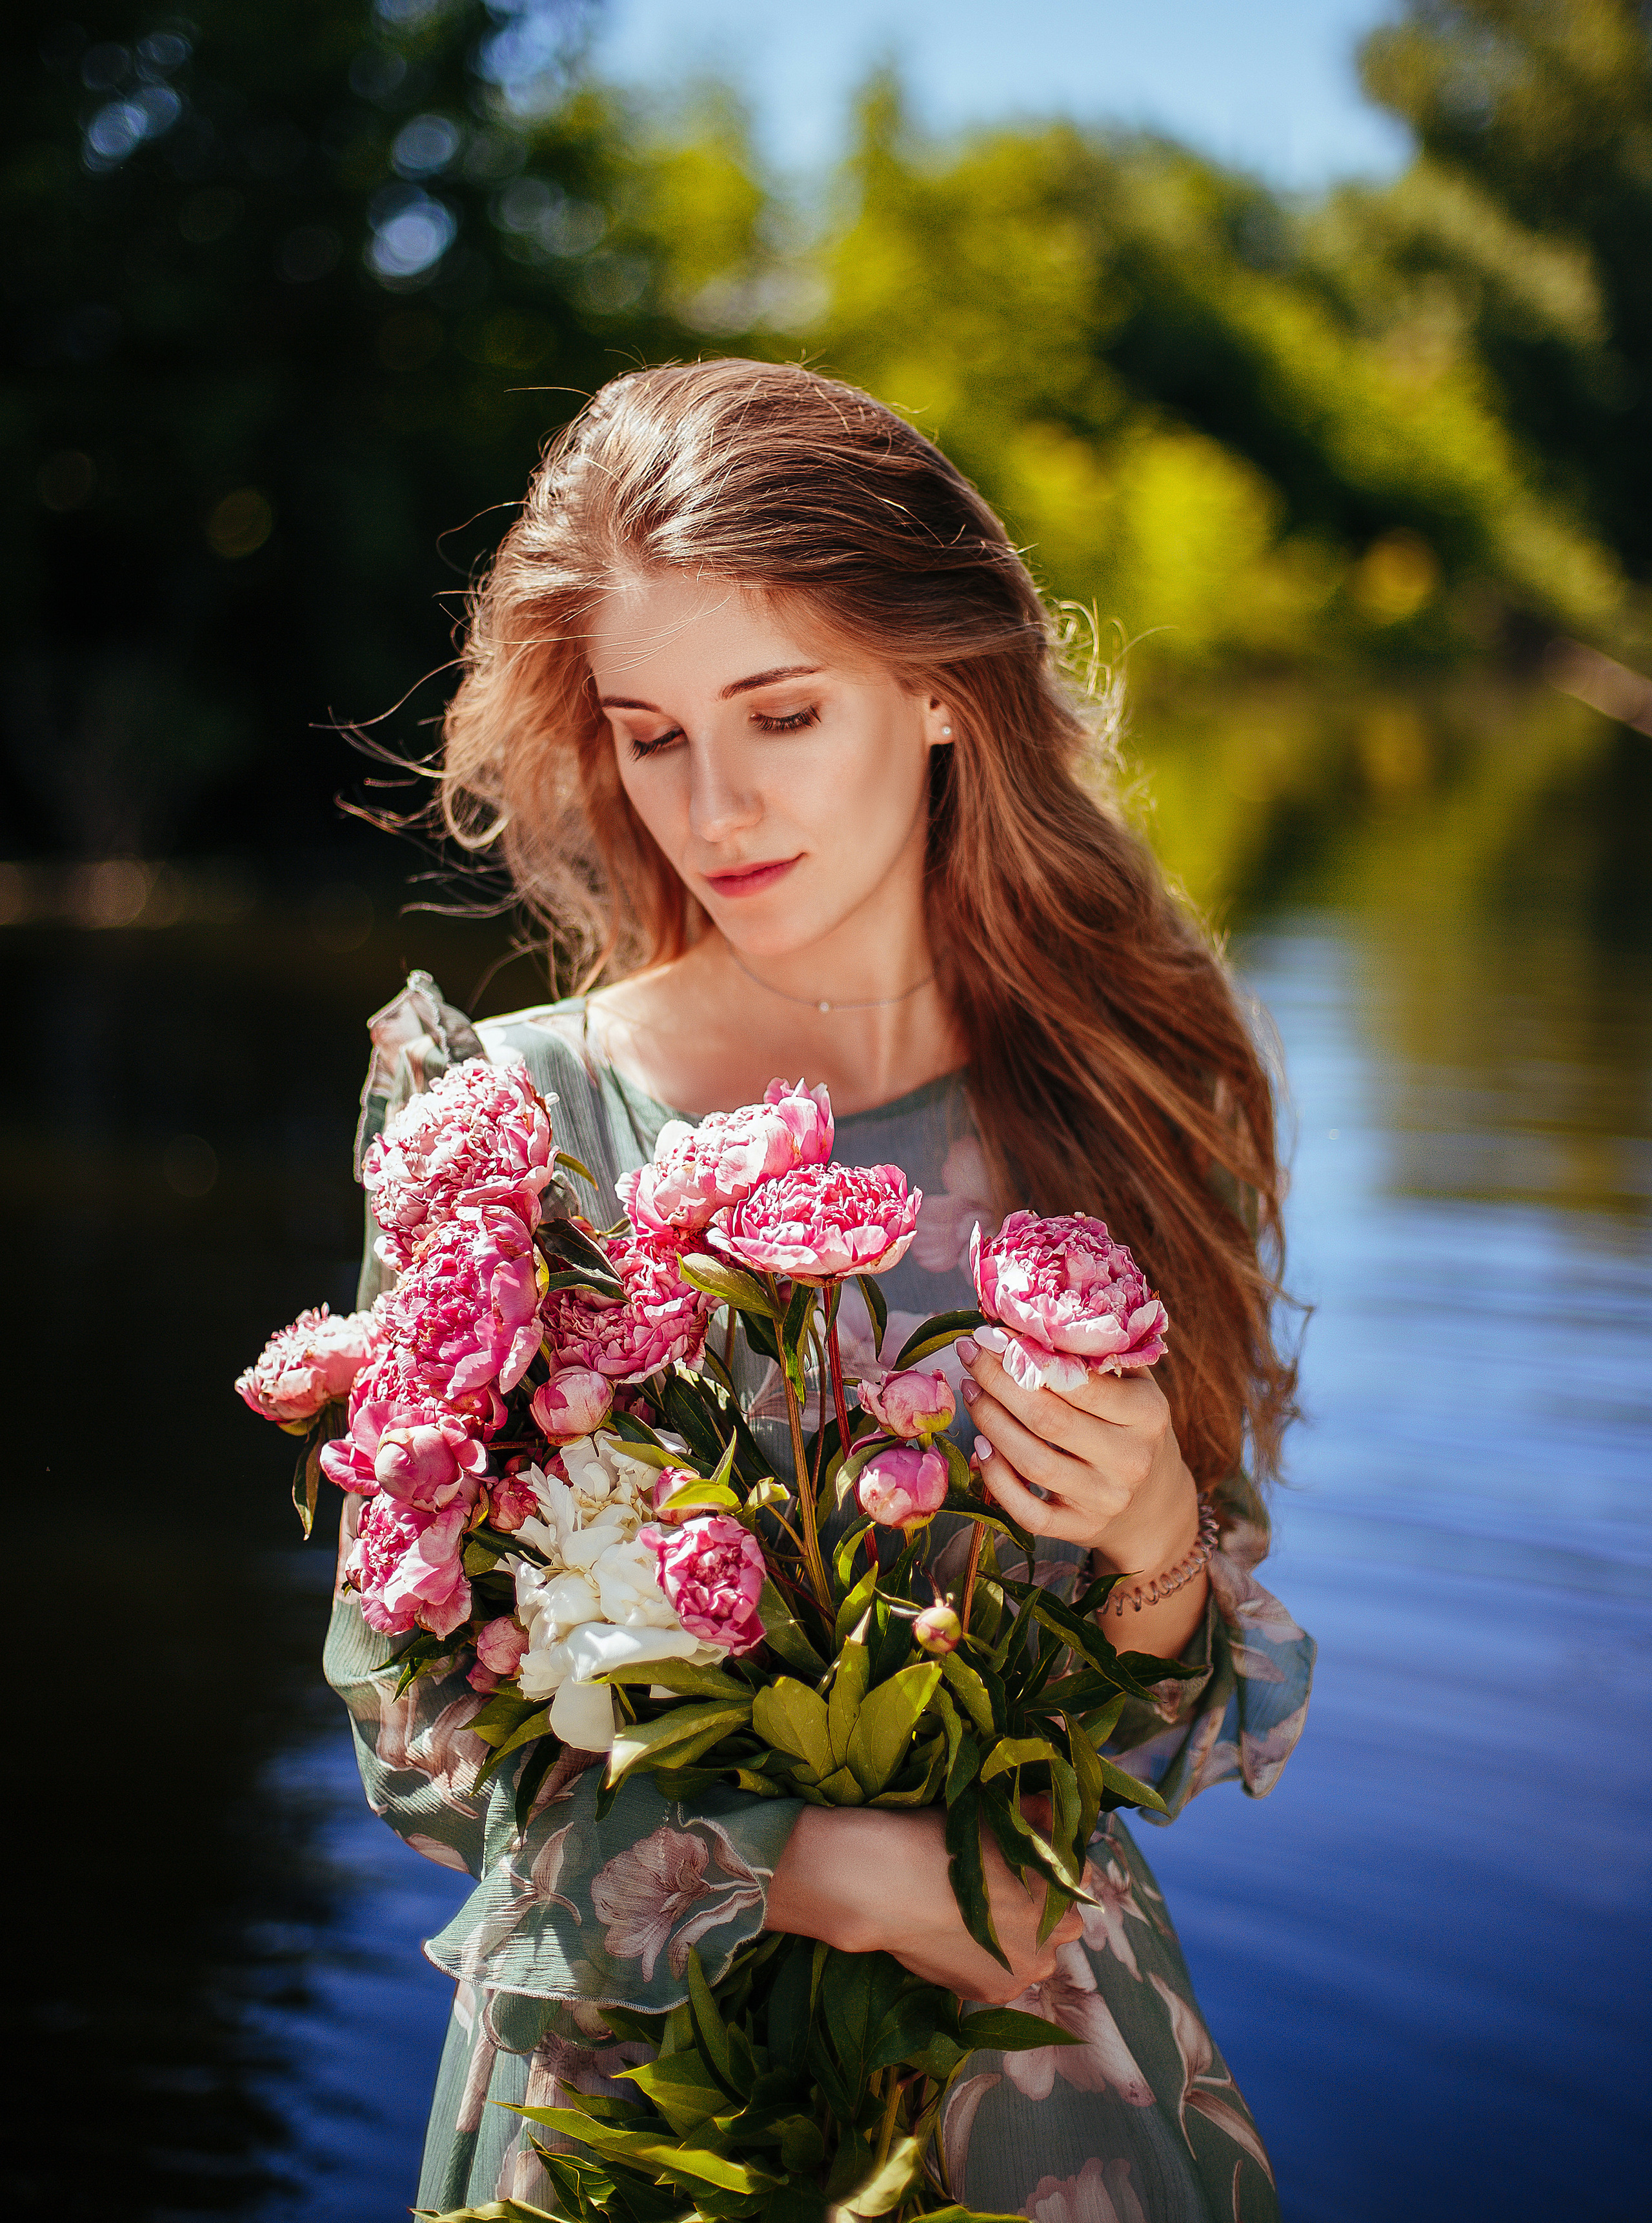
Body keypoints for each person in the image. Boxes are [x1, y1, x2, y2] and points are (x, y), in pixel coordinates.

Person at [325, 359, 1316, 2222]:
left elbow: (1177, 1716)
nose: (715, 804)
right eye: (651, 733)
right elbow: (416, 1711)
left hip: (1036, 2070)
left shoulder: (1110, 1090)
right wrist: (831, 1871)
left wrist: (1162, 1536)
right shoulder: (514, 1126)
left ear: (940, 692)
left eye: (780, 713)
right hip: (628, 2086)